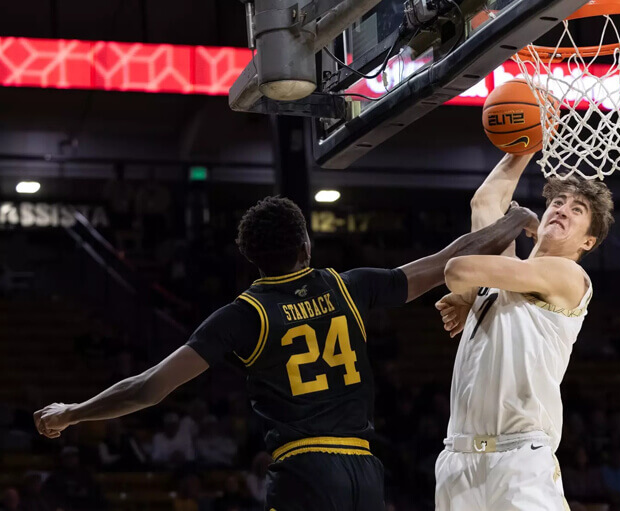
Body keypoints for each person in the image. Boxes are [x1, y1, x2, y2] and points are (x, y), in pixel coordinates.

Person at [33, 195, 537, 511]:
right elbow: (450, 257)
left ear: (251, 258)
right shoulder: (348, 287)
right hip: (363, 471)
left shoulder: (243, 315)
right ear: (305, 246)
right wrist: (513, 220)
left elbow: (149, 388)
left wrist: (73, 412)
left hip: (305, 469)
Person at [434, 154, 614, 511]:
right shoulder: (502, 274)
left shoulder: (569, 276)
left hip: (520, 460)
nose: (562, 210)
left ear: (588, 242)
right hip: (458, 459)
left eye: (577, 210)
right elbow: (485, 201)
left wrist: (468, 291)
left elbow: (457, 270)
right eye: (557, 202)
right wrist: (525, 145)